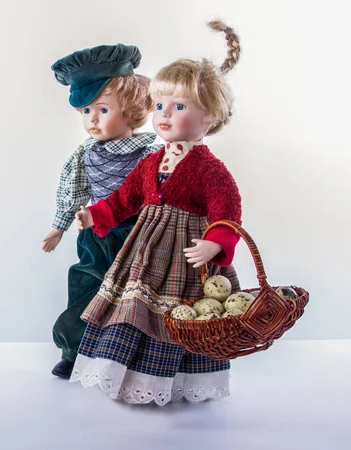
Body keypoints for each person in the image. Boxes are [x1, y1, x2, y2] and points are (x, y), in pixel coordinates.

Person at [71, 21, 243, 404]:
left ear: (209, 117)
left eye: (179, 107)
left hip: (185, 255)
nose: (164, 115)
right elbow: (124, 200)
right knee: (132, 305)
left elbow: (227, 211)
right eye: (160, 105)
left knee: (178, 314)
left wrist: (216, 244)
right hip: (145, 251)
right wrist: (95, 216)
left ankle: (171, 380)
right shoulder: (151, 162)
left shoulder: (209, 169)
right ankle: (125, 373)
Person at [43, 44, 161, 378]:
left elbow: (162, 191)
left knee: (135, 294)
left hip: (139, 234)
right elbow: (73, 187)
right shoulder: (85, 153)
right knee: (86, 283)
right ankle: (75, 350)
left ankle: (131, 355)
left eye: (103, 110)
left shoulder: (149, 152)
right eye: (85, 112)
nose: (92, 121)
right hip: (96, 234)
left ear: (132, 110)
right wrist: (60, 224)